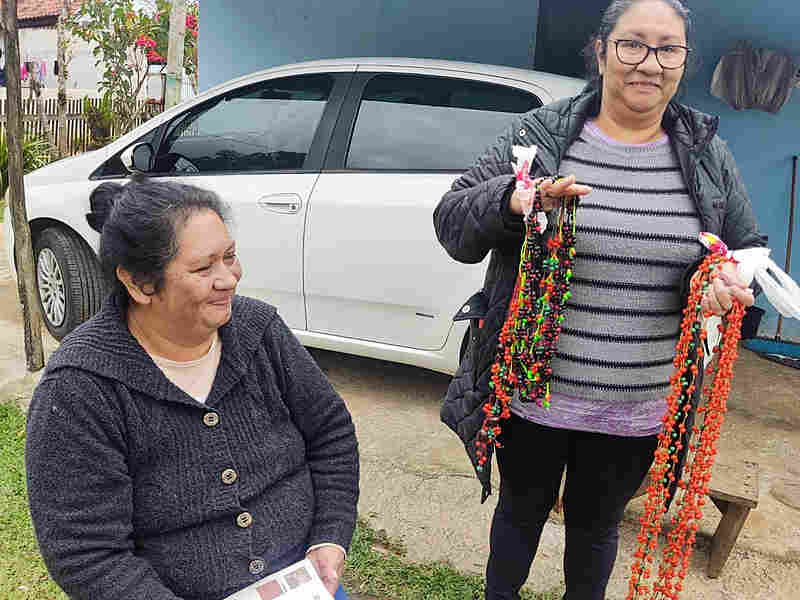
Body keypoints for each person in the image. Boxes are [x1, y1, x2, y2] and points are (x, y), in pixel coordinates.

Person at [433, 1, 765, 599]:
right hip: (534, 388)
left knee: (595, 529)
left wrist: (725, 280)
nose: (650, 63)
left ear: (684, 62)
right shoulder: (542, 135)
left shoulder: (706, 153)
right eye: (633, 44)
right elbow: (453, 221)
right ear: (602, 49)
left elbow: (745, 247)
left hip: (639, 401)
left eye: (669, 49)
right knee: (518, 514)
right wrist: (518, 200)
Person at [25, 178, 359, 600]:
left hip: (303, 582)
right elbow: (86, 553)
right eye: (204, 268)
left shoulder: (260, 332)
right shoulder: (81, 388)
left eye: (231, 257)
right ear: (138, 284)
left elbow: (330, 432)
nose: (230, 279)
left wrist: (329, 538)